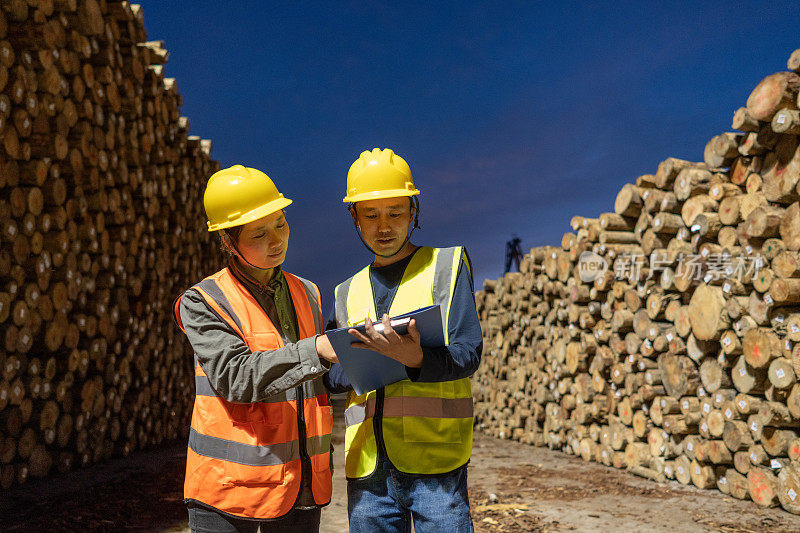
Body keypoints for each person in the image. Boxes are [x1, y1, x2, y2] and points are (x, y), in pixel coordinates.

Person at [173, 164, 339, 532]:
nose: (276, 240)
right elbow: (235, 376)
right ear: (228, 242)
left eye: (280, 223)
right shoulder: (203, 301)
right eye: (258, 233)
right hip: (228, 490)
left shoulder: (308, 292)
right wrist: (319, 350)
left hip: (301, 483)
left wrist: (362, 350)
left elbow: (317, 382)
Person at [324, 148, 483, 532]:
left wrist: (416, 359)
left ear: (413, 211)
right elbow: (336, 376)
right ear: (354, 217)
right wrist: (344, 371)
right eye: (371, 215)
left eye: (395, 212)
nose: (384, 227)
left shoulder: (445, 267)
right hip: (368, 470)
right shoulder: (347, 291)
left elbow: (468, 353)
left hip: (436, 467)